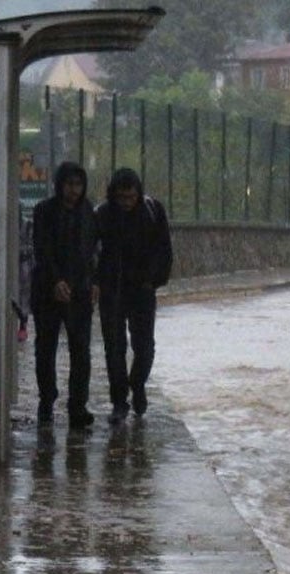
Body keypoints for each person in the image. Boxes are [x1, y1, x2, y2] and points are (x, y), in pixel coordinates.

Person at [94, 167, 173, 424]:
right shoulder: (103, 216)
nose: (127, 203)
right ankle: (119, 402)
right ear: (113, 196)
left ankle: (137, 384)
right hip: (112, 291)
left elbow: (164, 249)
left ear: (138, 194)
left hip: (142, 291)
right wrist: (97, 283)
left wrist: (154, 280)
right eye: (121, 198)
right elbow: (93, 253)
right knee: (114, 349)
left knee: (145, 347)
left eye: (131, 197)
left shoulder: (152, 211)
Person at [30, 162, 98, 428]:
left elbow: (93, 250)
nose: (73, 191)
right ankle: (46, 401)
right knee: (45, 349)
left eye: (78, 185)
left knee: (81, 351)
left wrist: (93, 281)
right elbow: (42, 249)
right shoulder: (44, 211)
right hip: (48, 291)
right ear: (60, 185)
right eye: (69, 185)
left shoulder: (89, 212)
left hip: (80, 291)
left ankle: (78, 406)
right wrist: (55, 280)